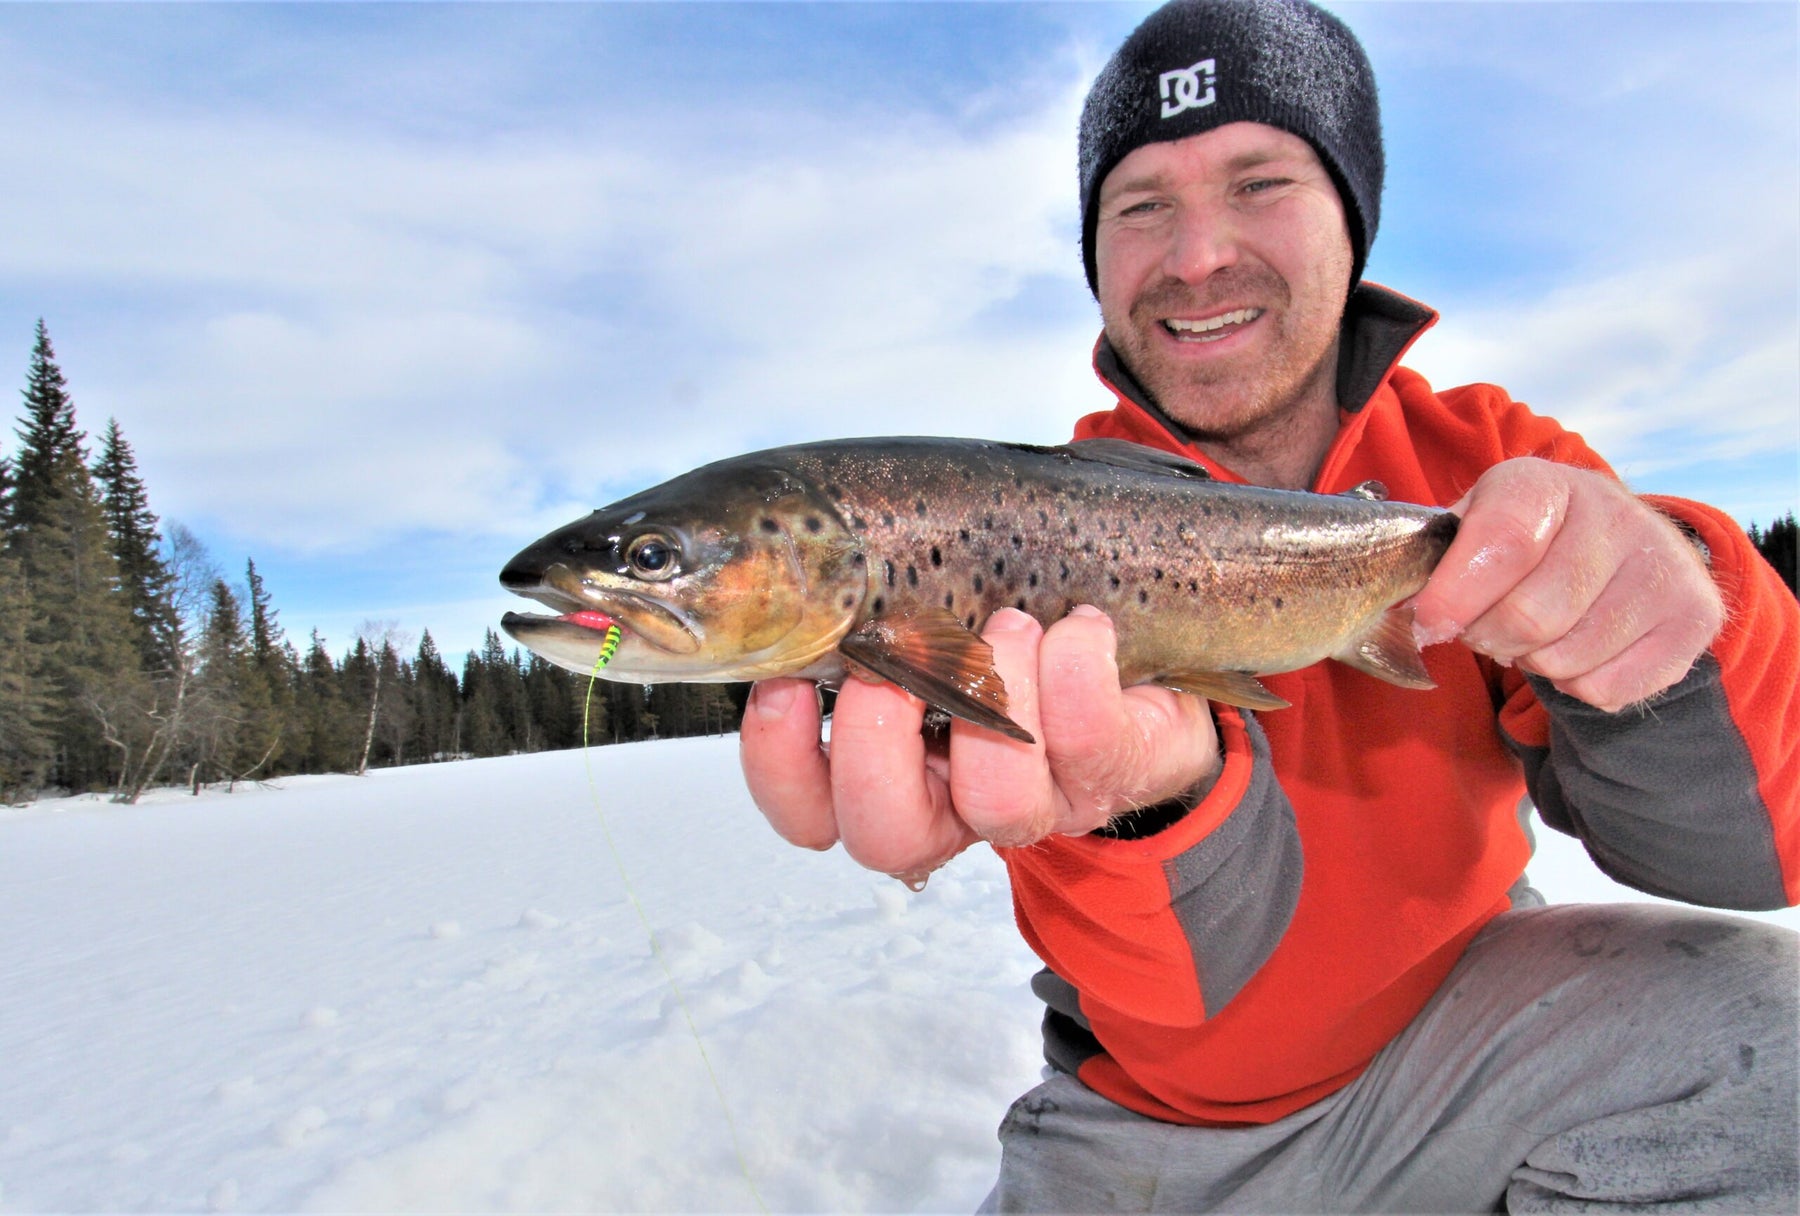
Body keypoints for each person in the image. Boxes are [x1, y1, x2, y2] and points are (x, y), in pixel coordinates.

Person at [740, 0, 1800, 1209]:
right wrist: (1154, 807)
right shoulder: (1008, 527)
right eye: (1141, 206)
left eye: (1259, 184)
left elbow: (1755, 851)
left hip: (1480, 1042)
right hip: (1143, 1122)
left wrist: (1676, 627)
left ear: (1354, 220)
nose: (1198, 256)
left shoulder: (1495, 470)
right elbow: (1205, 987)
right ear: (1095, 260)